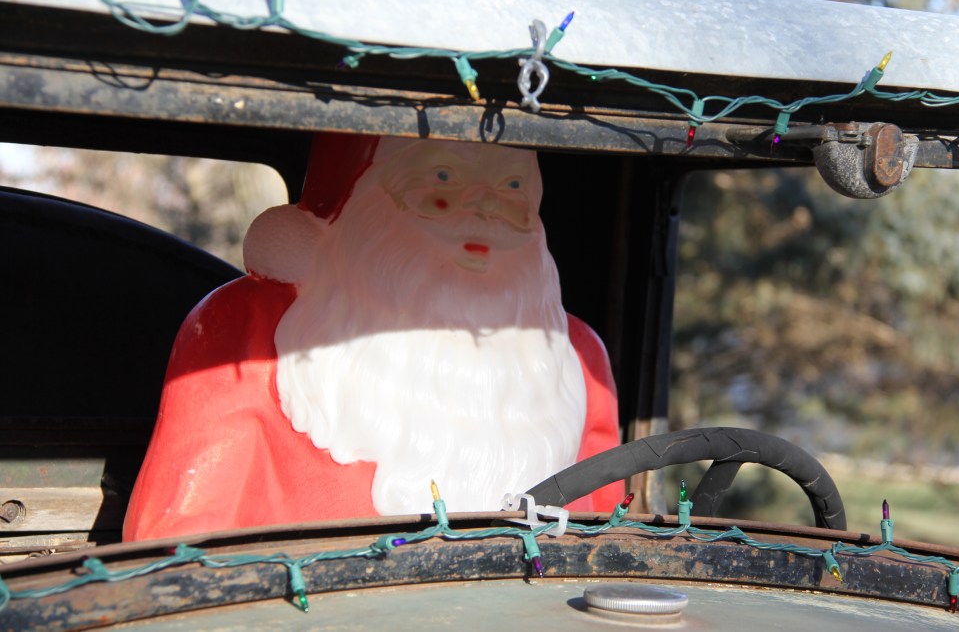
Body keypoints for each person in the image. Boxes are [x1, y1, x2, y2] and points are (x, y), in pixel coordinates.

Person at [123, 134, 623, 541]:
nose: (486, 207)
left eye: (513, 185)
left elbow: (605, 538)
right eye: (442, 177)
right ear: (363, 200)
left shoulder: (576, 359)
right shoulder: (244, 329)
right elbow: (180, 549)